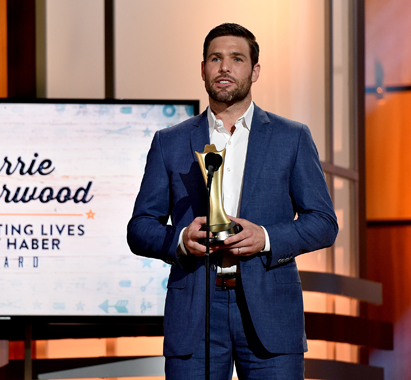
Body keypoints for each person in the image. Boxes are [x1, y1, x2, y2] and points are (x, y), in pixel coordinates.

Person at [127, 23, 338, 380]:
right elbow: (140, 228)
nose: (224, 67)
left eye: (236, 59)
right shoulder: (170, 142)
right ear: (203, 69)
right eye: (215, 58)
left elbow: (323, 222)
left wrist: (266, 237)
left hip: (270, 310)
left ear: (254, 71)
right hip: (195, 311)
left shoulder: (292, 137)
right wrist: (181, 240)